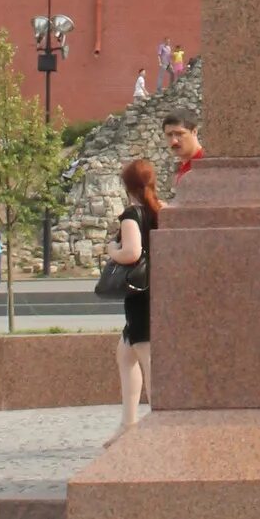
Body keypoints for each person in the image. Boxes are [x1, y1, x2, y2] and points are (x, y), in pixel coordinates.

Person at [107, 160, 159, 433]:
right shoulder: (159, 210)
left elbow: (132, 253)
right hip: (157, 289)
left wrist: (111, 251)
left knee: (147, 356)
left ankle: (159, 419)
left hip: (140, 295)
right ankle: (128, 424)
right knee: (125, 354)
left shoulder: (132, 214)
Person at [161, 110, 204, 181]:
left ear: (194, 132)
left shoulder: (206, 166)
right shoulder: (182, 168)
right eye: (169, 135)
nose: (174, 141)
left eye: (179, 134)